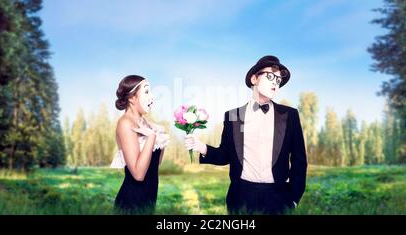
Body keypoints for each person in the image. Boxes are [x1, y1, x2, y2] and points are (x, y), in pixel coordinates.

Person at [185, 55, 307, 215]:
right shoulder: (232, 117)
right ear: (254, 78)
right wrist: (202, 147)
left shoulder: (290, 115)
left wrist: (294, 199)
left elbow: (299, 160)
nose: (275, 83)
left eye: (278, 80)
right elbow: (225, 155)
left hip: (278, 198)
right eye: (270, 76)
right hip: (241, 196)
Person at [112, 75, 169, 214]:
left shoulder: (146, 123)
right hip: (131, 203)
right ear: (132, 98)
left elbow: (155, 164)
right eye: (146, 92)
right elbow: (138, 174)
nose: (152, 97)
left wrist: (160, 135)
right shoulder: (125, 123)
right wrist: (151, 137)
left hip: (148, 200)